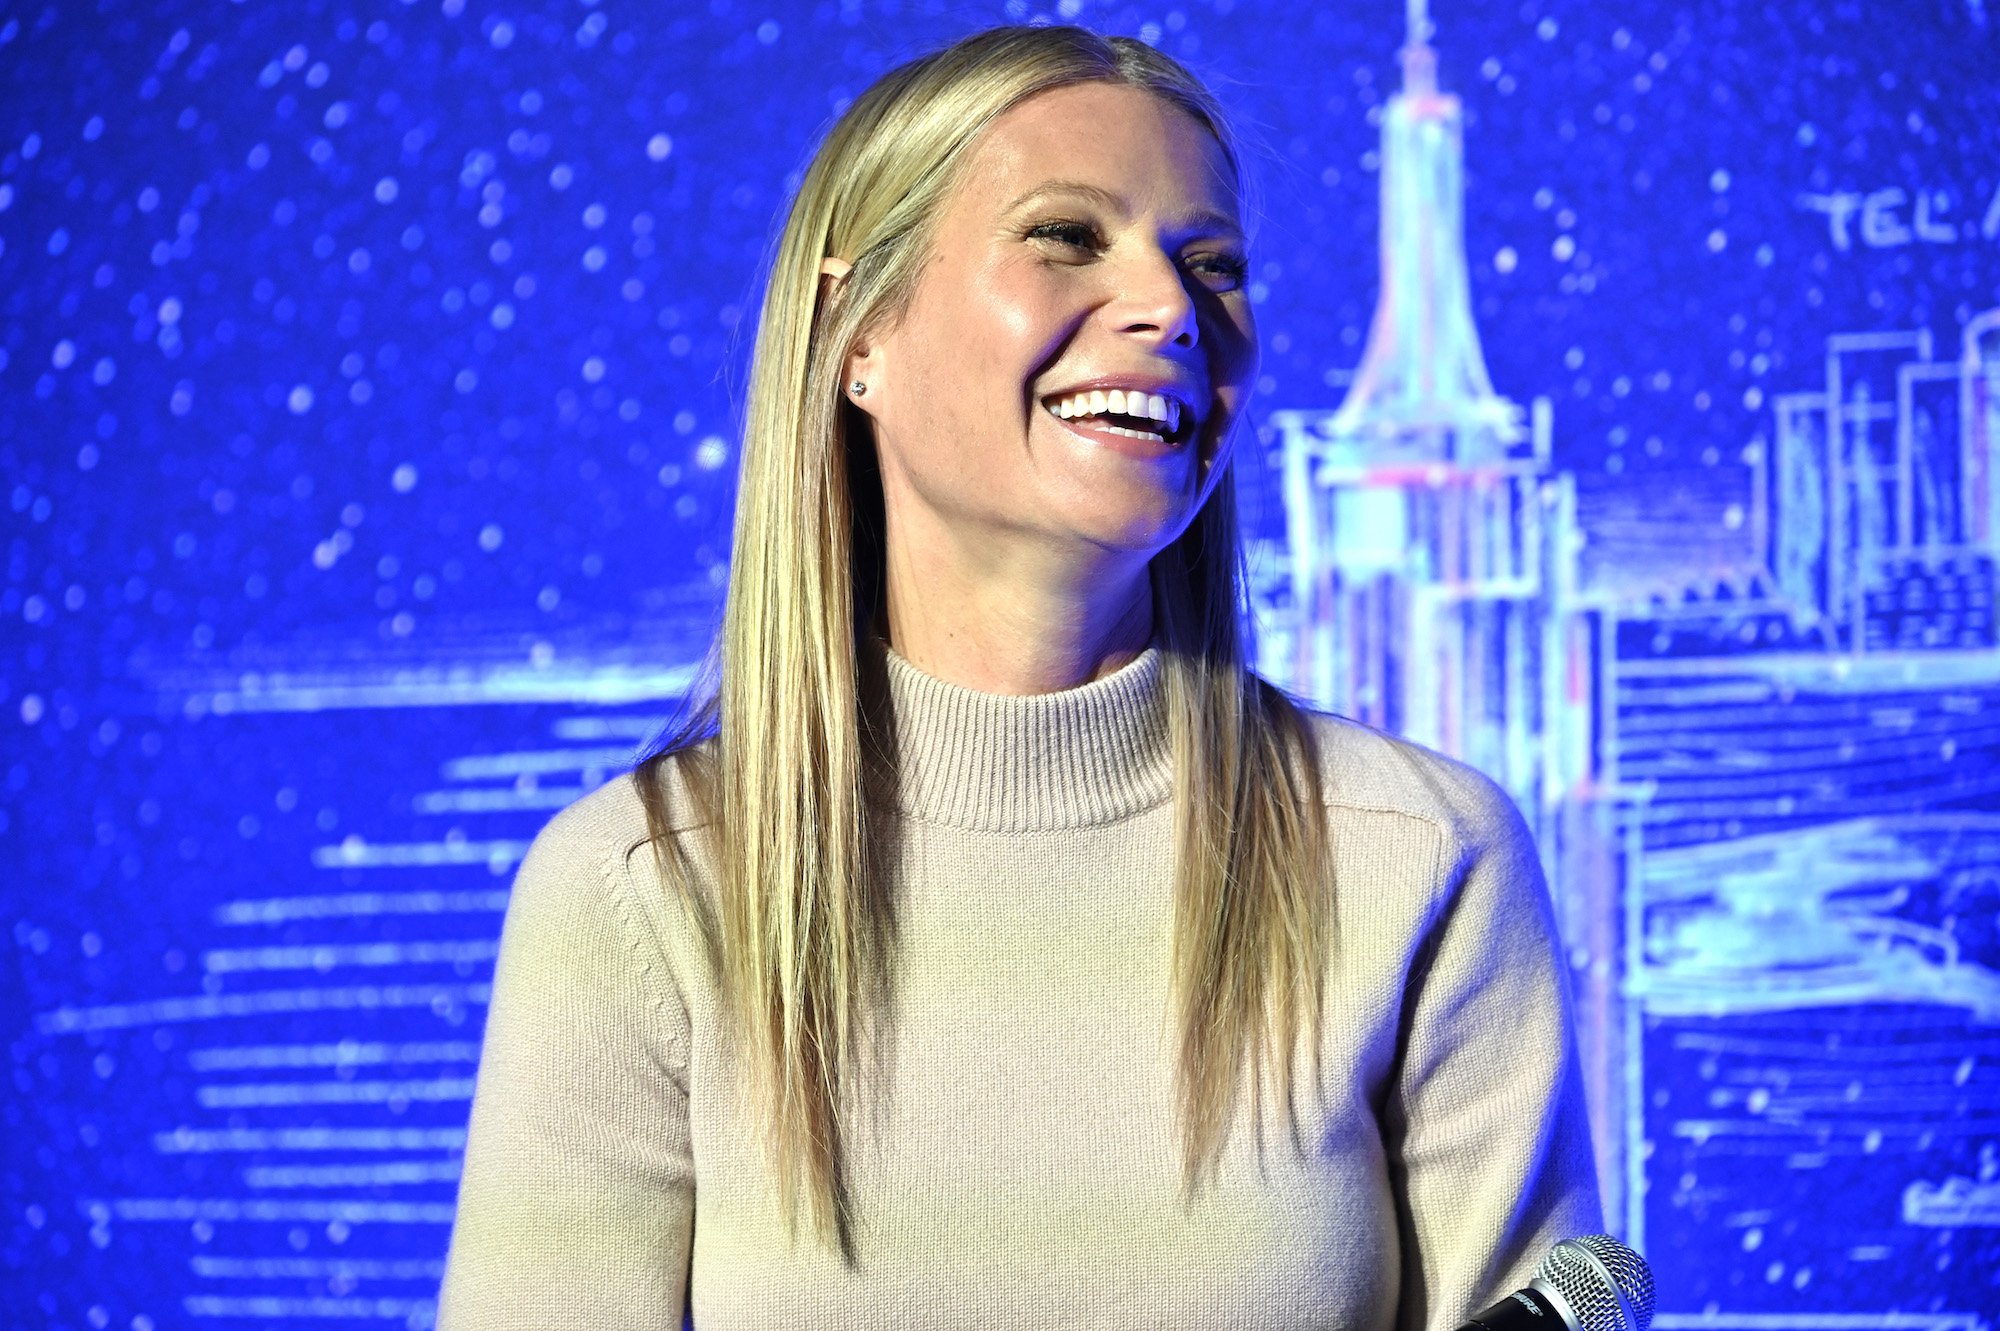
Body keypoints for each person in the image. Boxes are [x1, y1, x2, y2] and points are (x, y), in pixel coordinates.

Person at [436, 24, 1601, 1330]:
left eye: (1211, 263)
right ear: (857, 334)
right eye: (1067, 237)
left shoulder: (1424, 858)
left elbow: (1582, 1292)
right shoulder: (641, 892)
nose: (1171, 308)